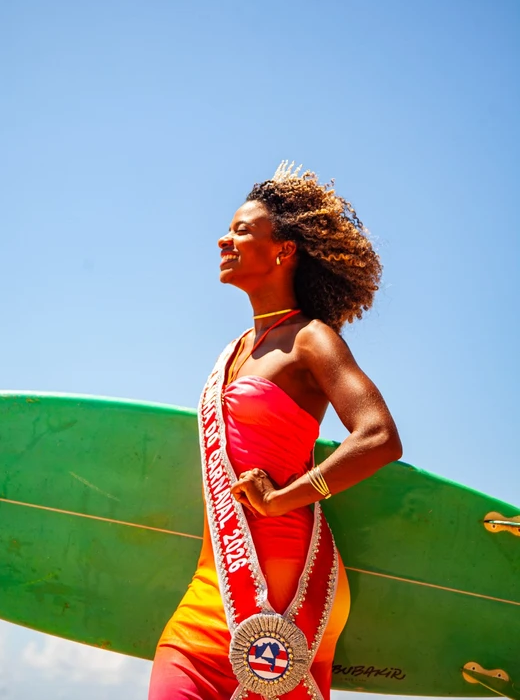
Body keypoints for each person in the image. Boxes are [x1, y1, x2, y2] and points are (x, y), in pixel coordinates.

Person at [149, 162, 402, 700]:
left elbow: (379, 436)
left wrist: (287, 498)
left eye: (243, 230)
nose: (225, 237)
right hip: (215, 575)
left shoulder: (311, 340)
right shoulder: (236, 349)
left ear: (284, 251)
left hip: (287, 589)